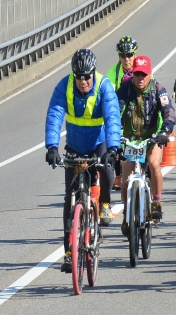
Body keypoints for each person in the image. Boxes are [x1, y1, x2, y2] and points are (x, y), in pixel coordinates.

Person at [45, 49, 121, 272]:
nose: (83, 81)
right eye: (79, 76)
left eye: (87, 76)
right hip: (75, 147)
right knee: (70, 199)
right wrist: (51, 147)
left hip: (99, 144)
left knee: (107, 173)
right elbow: (55, 114)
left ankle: (104, 204)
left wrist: (113, 149)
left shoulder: (103, 85)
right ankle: (69, 251)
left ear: (93, 73)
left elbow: (112, 117)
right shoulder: (64, 86)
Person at [116, 55, 175, 234]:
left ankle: (156, 201)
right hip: (130, 140)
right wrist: (114, 133)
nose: (140, 79)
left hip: (152, 138)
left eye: (143, 75)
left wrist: (164, 131)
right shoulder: (125, 89)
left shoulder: (158, 89)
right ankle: (128, 213)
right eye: (137, 75)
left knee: (154, 164)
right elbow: (114, 111)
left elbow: (169, 112)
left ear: (149, 74)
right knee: (125, 182)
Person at [106, 35, 137, 189]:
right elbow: (109, 98)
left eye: (130, 55)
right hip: (121, 113)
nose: (126, 59)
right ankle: (118, 175)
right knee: (117, 143)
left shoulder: (141, 69)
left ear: (135, 54)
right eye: (123, 56)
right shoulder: (113, 73)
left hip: (139, 112)